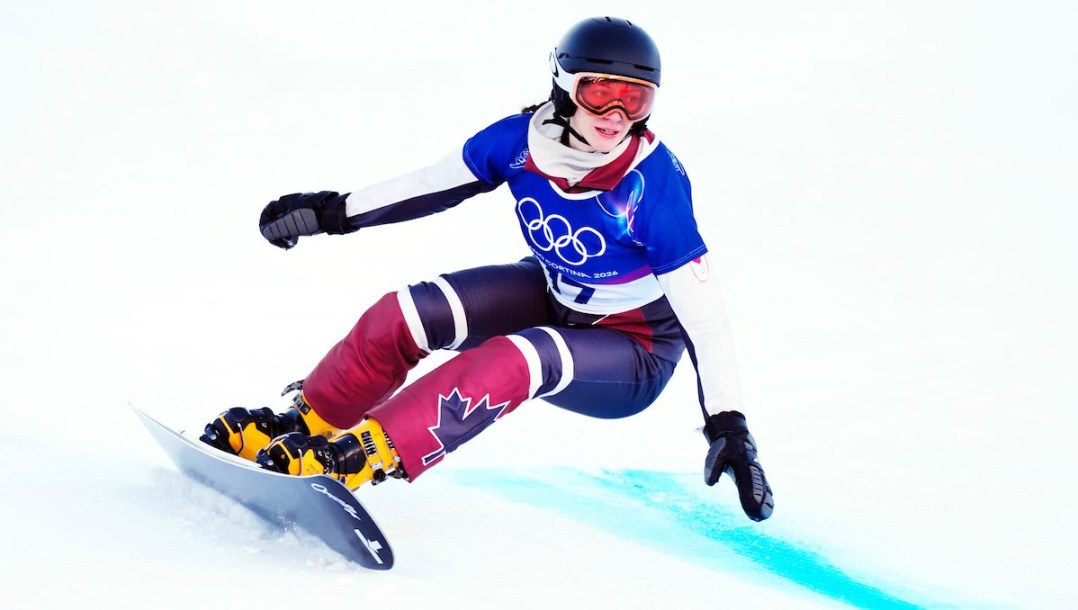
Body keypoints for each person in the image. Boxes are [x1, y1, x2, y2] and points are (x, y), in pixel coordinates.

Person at [201, 16, 774, 521]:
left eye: (637, 98)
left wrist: (729, 424)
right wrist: (332, 212)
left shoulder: (655, 185)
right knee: (408, 312)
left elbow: (705, 314)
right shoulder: (518, 142)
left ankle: (366, 453)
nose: (617, 114)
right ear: (565, 87)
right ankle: (313, 423)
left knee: (517, 355)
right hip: (555, 291)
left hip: (635, 346)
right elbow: (428, 187)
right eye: (600, 91)